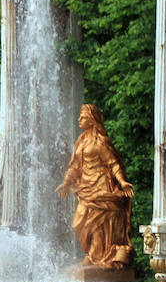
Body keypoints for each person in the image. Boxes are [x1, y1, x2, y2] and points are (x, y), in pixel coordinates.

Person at [56, 103, 134, 271]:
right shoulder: (81, 142)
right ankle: (93, 255)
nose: (79, 120)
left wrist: (122, 182)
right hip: (86, 187)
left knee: (98, 222)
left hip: (101, 185)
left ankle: (95, 256)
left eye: (83, 117)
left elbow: (113, 164)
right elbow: (76, 166)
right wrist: (66, 182)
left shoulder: (101, 141)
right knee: (79, 223)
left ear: (91, 120)